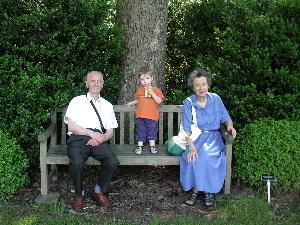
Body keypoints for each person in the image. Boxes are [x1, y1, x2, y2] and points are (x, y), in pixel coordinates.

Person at [180, 68, 237, 207]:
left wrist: (230, 126)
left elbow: (226, 118)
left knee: (206, 156)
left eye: (203, 84)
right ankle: (205, 191)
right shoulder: (188, 102)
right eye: (197, 85)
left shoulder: (216, 99)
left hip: (213, 137)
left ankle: (198, 190)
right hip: (195, 137)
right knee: (193, 156)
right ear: (193, 88)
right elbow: (186, 128)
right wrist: (192, 146)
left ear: (208, 85)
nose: (201, 88)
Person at [64, 71, 119, 211]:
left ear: (102, 84)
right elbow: (71, 126)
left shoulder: (107, 105)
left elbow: (110, 132)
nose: (96, 83)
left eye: (99, 81)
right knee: (77, 163)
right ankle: (79, 194)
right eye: (93, 81)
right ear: (86, 83)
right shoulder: (77, 101)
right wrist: (91, 133)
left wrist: (101, 138)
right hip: (78, 137)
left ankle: (98, 191)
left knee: (112, 161)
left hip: (98, 140)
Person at [126, 66, 165, 155]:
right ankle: (139, 146)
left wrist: (152, 93)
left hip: (152, 117)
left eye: (147, 78)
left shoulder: (155, 90)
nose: (145, 81)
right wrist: (131, 103)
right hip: (140, 116)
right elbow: (138, 100)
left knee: (152, 132)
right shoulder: (140, 90)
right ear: (140, 80)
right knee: (140, 131)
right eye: (142, 79)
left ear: (152, 78)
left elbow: (159, 101)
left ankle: (152, 146)